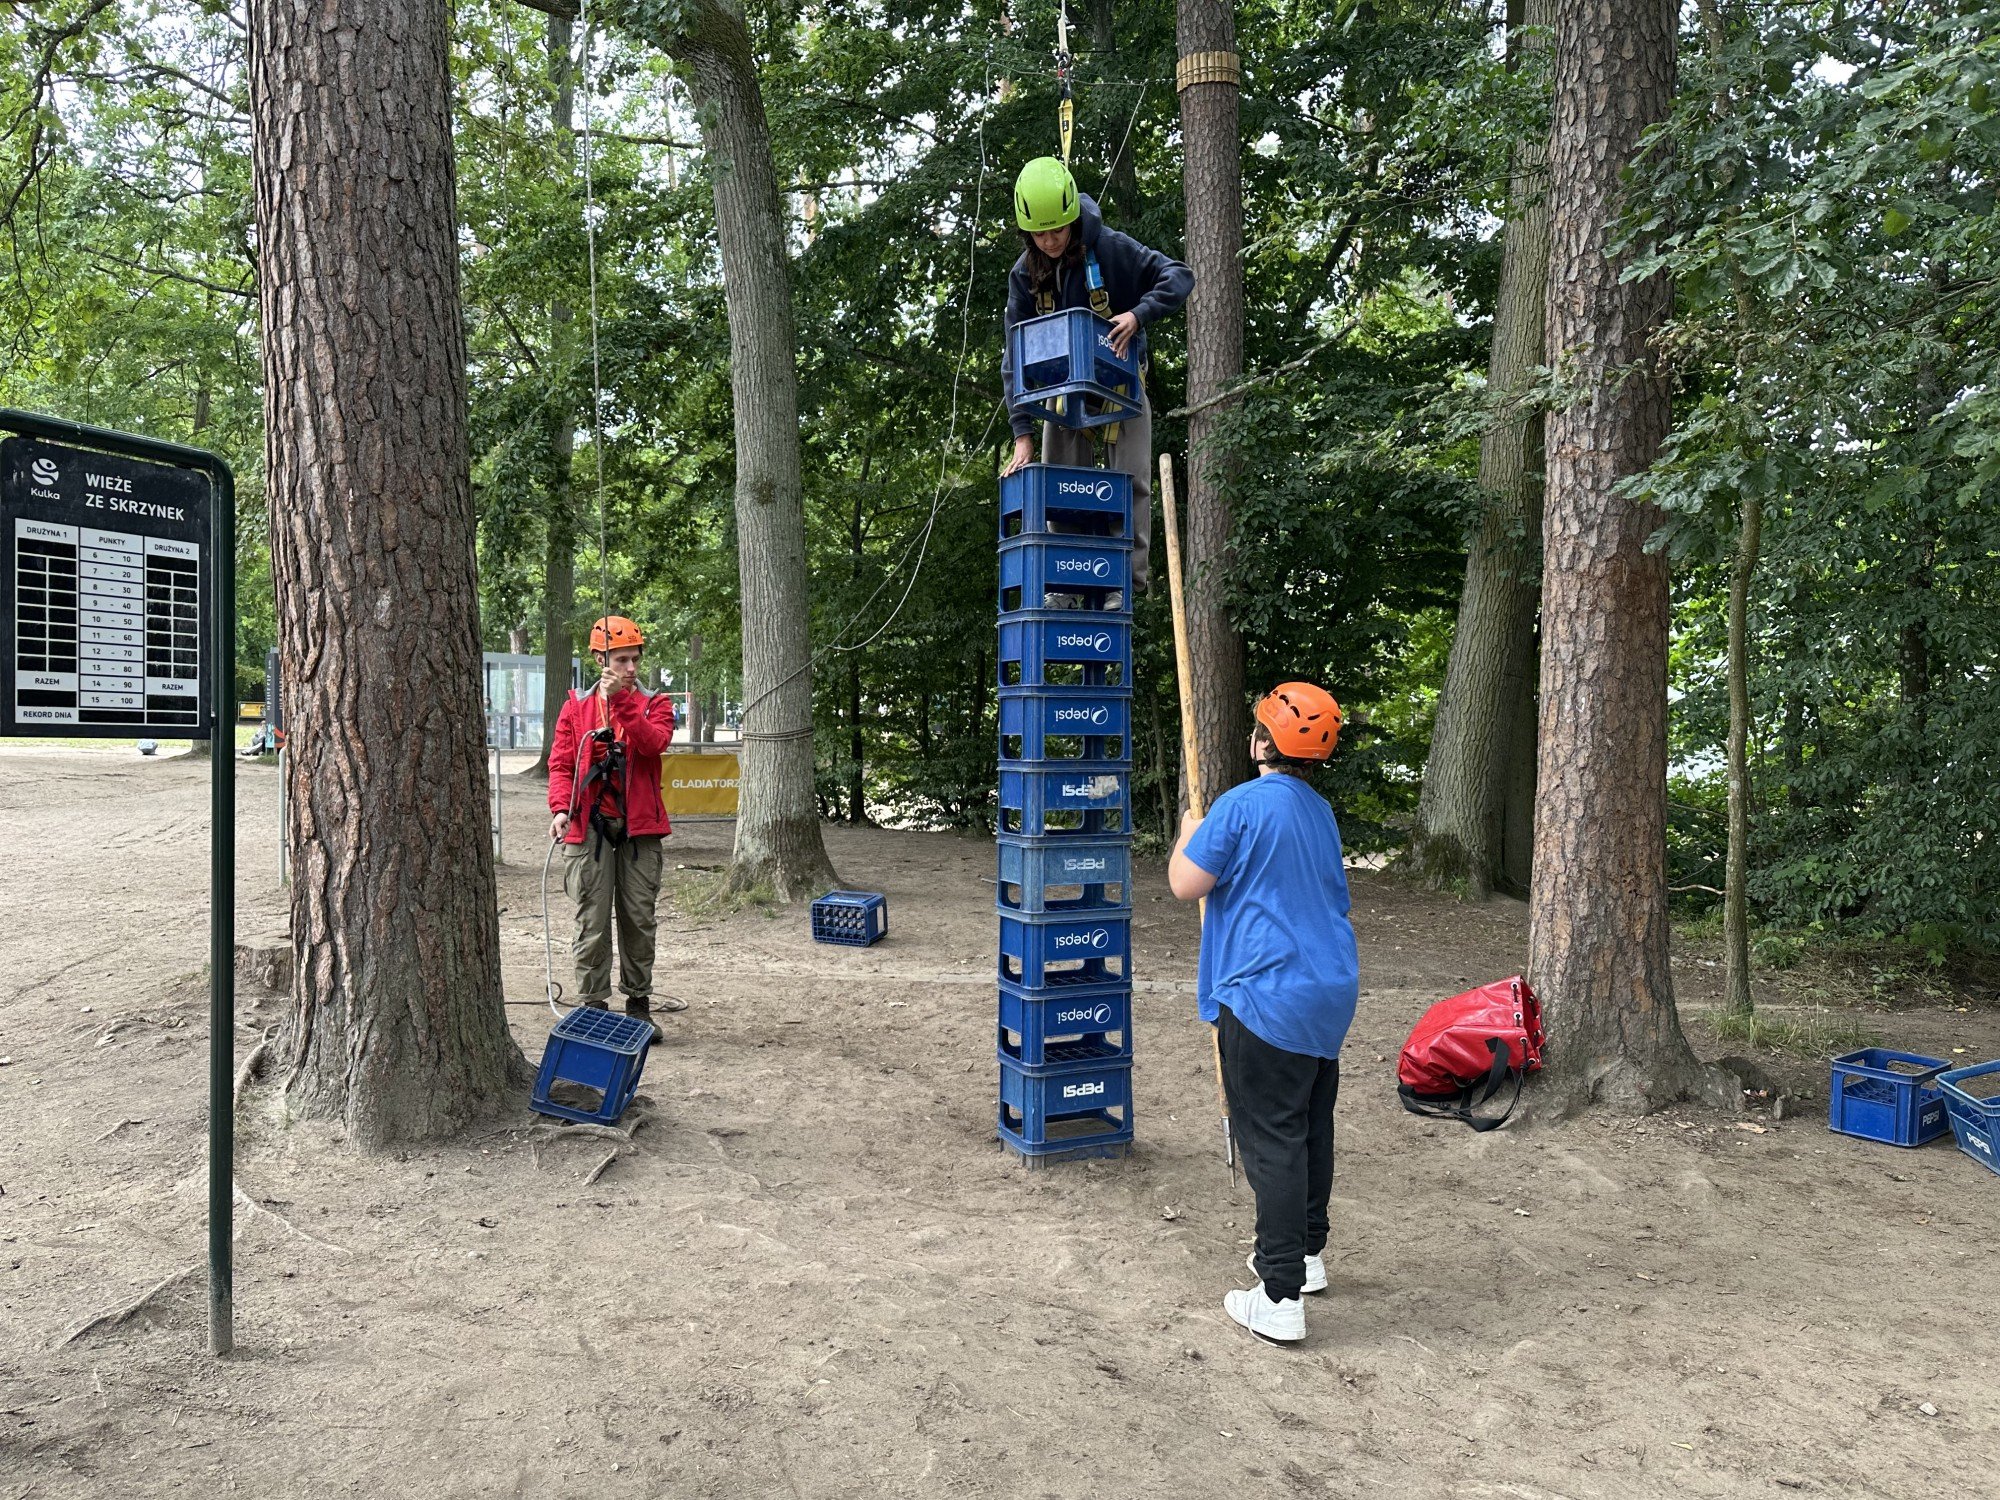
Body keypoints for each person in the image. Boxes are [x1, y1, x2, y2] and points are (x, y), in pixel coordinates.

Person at [1168, 682, 1358, 1346]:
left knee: (1274, 1138)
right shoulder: (1319, 812)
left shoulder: (1241, 805)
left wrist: (1188, 835)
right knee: (1307, 1127)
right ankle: (1306, 1254)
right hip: (1326, 990)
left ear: (1261, 744)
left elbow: (1185, 883)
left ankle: (1279, 1294)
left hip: (1266, 992)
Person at [1001, 156, 1193, 593]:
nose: (1049, 240)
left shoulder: (1110, 248)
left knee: (1130, 483)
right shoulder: (1025, 275)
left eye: (1057, 229)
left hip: (1121, 387)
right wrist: (1021, 432)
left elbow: (1178, 275)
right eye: (1039, 233)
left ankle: (1125, 582)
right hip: (1063, 392)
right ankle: (1068, 584)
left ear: (1071, 218)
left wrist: (1139, 314)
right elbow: (1015, 352)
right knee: (1061, 486)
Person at [547, 616, 681, 1043]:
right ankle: (593, 1008)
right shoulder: (575, 707)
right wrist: (560, 809)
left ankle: (638, 1006)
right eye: (621, 660)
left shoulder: (655, 703)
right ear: (599, 659)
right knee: (591, 919)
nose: (631, 668)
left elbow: (653, 744)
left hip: (640, 829)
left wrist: (623, 702)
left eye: (634, 659)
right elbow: (561, 765)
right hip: (589, 827)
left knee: (638, 918)